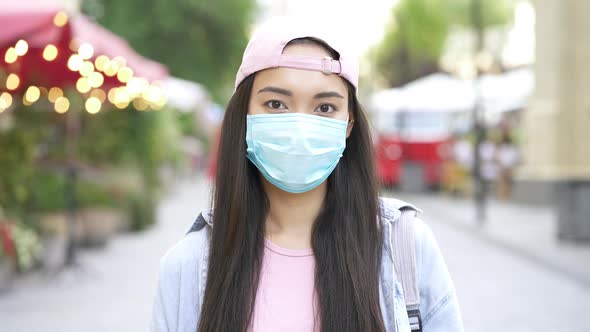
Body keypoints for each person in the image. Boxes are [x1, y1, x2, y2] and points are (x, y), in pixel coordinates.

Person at [150, 20, 464, 332]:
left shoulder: (406, 248)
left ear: (349, 125)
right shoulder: (187, 267)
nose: (300, 126)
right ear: (243, 117)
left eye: (325, 107)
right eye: (276, 104)